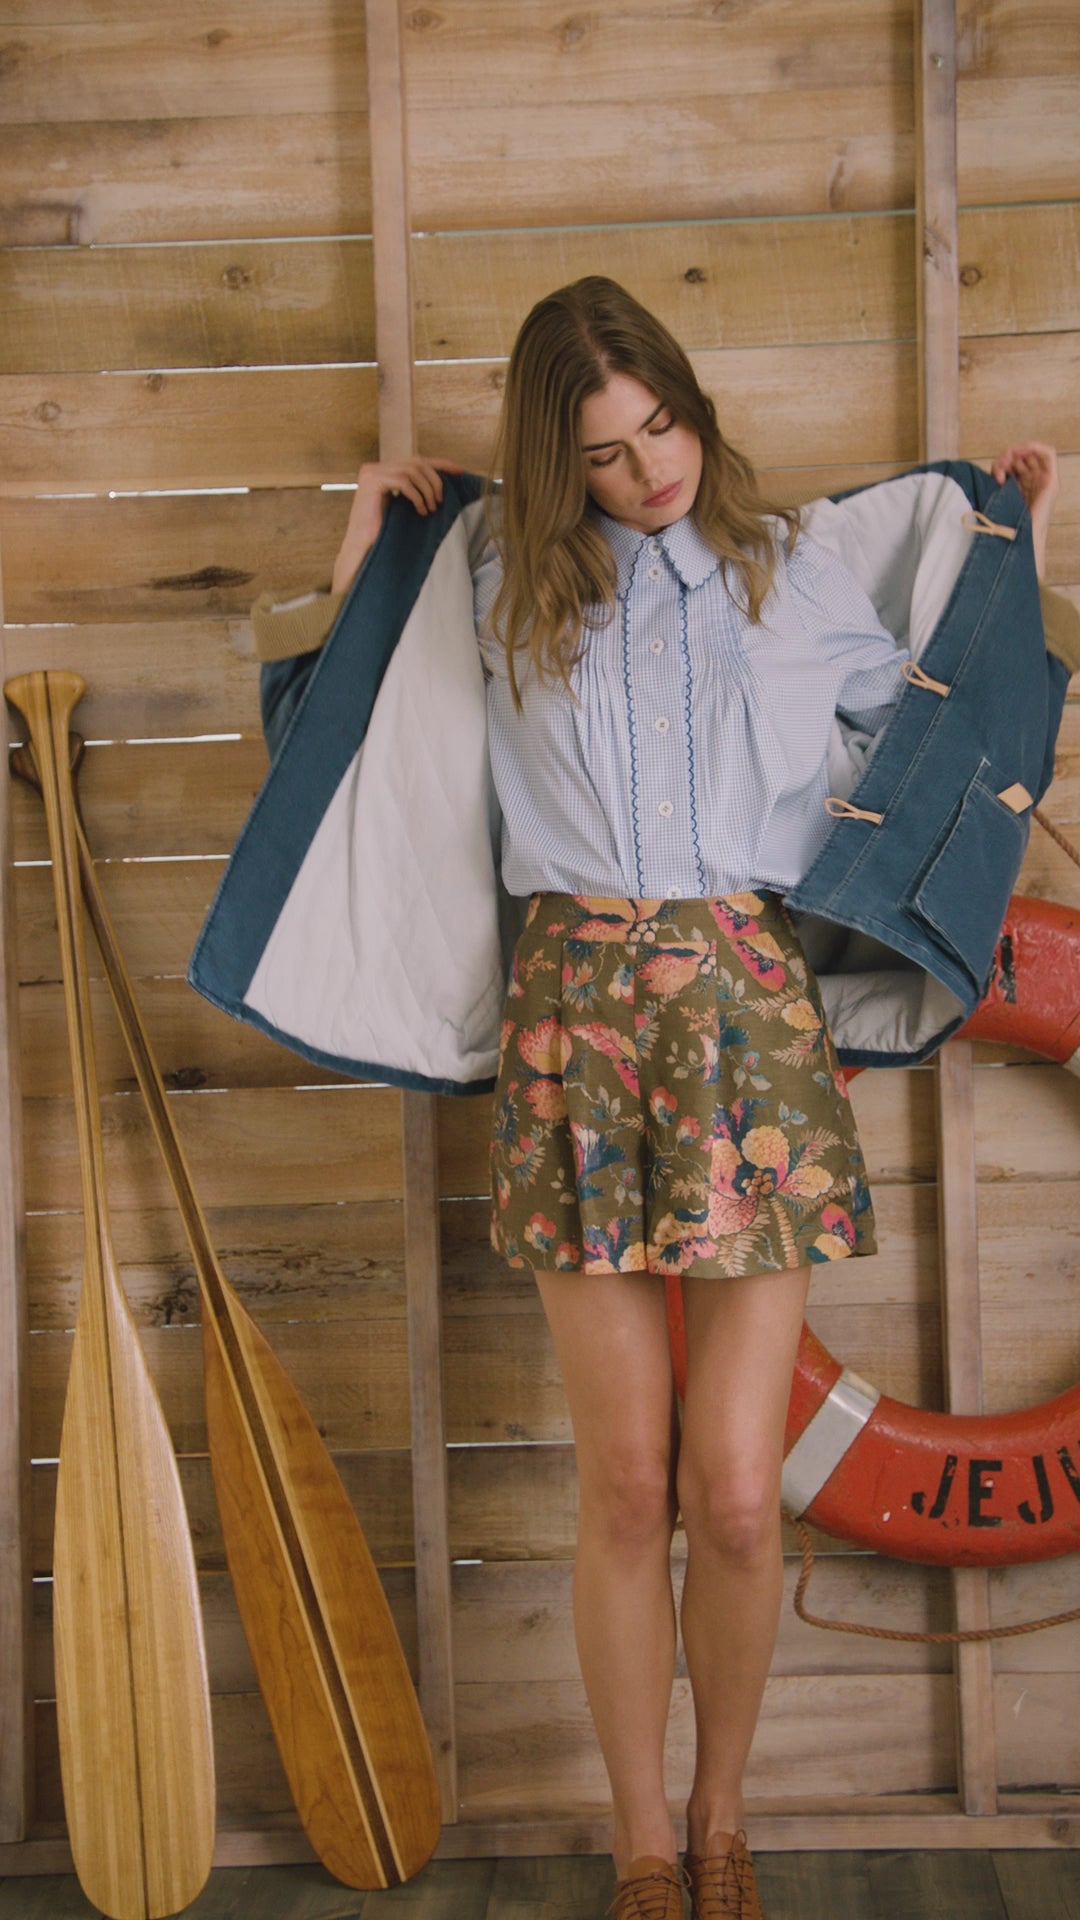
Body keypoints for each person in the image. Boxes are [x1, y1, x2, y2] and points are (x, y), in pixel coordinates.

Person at [246, 278, 1073, 1920]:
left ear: (692, 405)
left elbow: (950, 716)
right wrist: (364, 550)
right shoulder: (496, 585)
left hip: (749, 1023)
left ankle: (721, 1822)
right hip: (574, 1028)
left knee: (736, 1495)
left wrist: (1008, 543)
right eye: (609, 454)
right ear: (560, 463)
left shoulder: (795, 570)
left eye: (664, 428)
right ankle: (638, 1846)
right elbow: (358, 741)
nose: (650, 472)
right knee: (627, 1483)